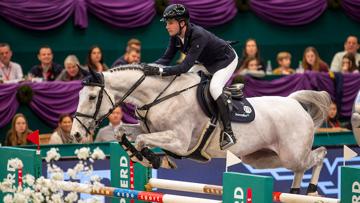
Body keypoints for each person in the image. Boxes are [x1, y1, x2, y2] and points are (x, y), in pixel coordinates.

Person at [143, 4, 238, 150]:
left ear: (182, 23)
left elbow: (184, 67)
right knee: (184, 82)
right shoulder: (175, 37)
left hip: (225, 61)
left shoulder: (198, 35)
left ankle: (228, 131)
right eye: (167, 23)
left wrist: (159, 72)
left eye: (170, 23)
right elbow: (166, 59)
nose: (167, 26)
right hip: (206, 62)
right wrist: (147, 67)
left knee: (214, 88)